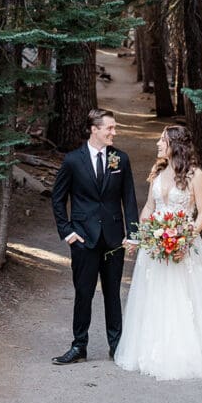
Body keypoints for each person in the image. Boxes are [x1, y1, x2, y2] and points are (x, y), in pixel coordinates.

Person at [114, 124, 202, 380]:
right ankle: (152, 349)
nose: (158, 144)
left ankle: (187, 352)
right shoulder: (158, 171)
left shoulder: (195, 175)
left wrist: (184, 240)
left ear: (176, 145)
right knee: (155, 297)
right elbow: (150, 208)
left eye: (162, 140)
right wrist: (140, 237)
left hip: (184, 246)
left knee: (184, 297)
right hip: (156, 247)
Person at [51, 107, 139, 364]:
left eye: (114, 128)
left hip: (113, 238)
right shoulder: (72, 160)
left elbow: (129, 198)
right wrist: (67, 232)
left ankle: (117, 345)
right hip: (83, 239)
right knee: (84, 293)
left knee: (113, 293)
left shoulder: (120, 159)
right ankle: (79, 346)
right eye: (110, 128)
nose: (114, 132)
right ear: (94, 130)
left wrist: (132, 234)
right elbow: (58, 199)